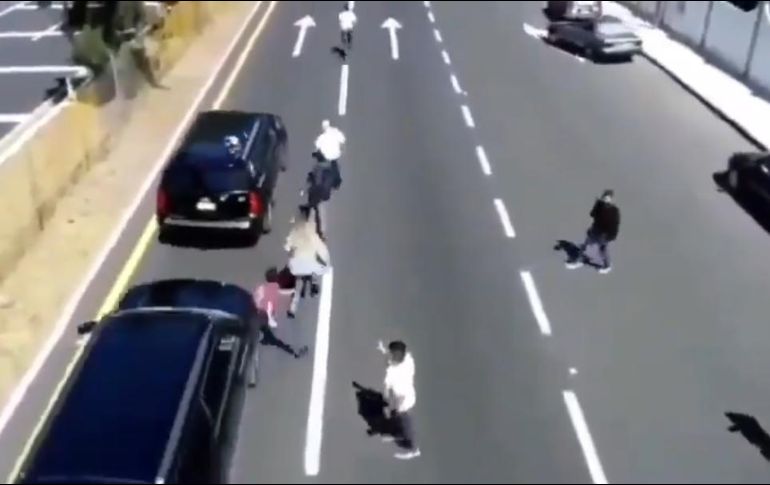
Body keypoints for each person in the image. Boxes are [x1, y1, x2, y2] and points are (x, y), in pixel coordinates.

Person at [284, 206, 331, 318]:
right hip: (311, 263)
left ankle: (292, 309)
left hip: (300, 265)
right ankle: (314, 284)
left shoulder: (295, 231)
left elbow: (288, 248)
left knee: (298, 284)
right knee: (315, 265)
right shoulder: (313, 232)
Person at [378, 339, 421, 460]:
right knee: (395, 415)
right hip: (401, 398)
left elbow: (386, 389)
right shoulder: (407, 360)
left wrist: (387, 403)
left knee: (403, 419)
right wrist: (383, 350)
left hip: (405, 399)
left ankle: (413, 449)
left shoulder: (393, 369)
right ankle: (397, 433)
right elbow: (386, 388)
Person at [253, 267, 308, 358]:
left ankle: (294, 352)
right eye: (276, 275)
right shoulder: (273, 289)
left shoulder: (263, 289)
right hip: (264, 321)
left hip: (261, 320)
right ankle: (295, 352)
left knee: (277, 341)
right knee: (277, 340)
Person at [566, 189, 621, 274]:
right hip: (595, 230)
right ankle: (579, 260)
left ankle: (606, 265)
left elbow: (615, 224)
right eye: (604, 197)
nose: (605, 199)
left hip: (604, 234)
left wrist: (611, 236)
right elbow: (592, 214)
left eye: (607, 198)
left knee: (602, 248)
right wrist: (597, 204)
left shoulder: (614, 210)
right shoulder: (600, 205)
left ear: (610, 199)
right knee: (586, 245)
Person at [314, 119, 346, 189]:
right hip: (330, 158)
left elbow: (317, 146)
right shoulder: (334, 132)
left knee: (319, 168)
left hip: (328, 158)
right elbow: (343, 141)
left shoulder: (324, 135)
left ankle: (318, 184)